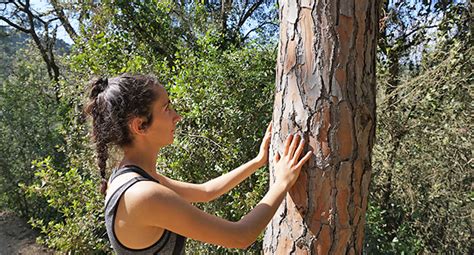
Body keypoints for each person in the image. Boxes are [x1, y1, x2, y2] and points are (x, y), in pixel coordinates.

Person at [84, 74, 312, 254]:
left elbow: (206, 191)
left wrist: (257, 161)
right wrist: (282, 183)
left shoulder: (131, 177)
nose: (177, 116)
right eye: (166, 108)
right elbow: (240, 236)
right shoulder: (143, 194)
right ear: (140, 126)